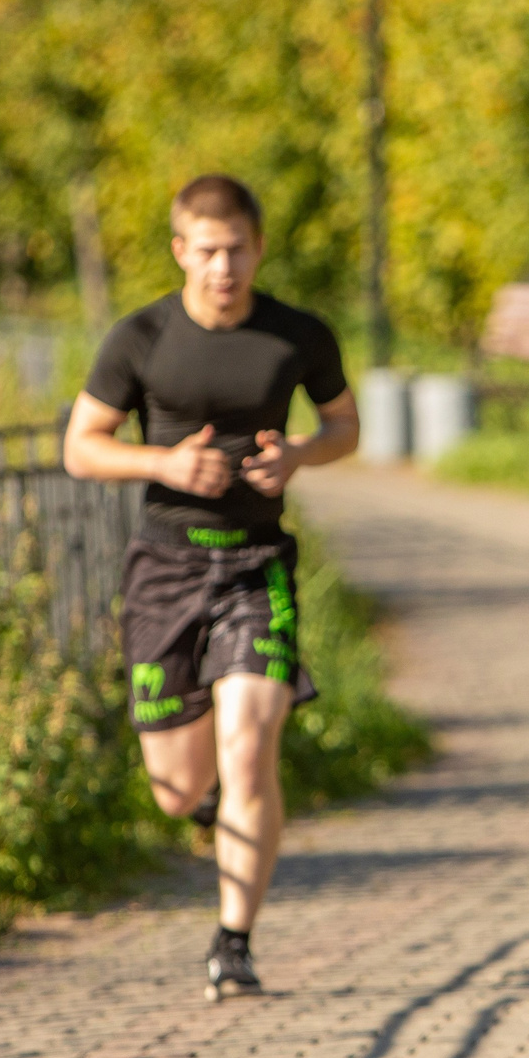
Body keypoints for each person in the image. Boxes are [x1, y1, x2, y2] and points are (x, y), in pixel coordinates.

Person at [63, 174, 360, 1000]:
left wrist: (299, 454)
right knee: (175, 789)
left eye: (236, 250)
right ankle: (209, 810)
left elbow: (344, 425)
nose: (222, 267)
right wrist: (163, 463)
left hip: (257, 566)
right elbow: (81, 446)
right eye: (206, 251)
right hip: (166, 567)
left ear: (258, 249)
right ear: (180, 251)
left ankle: (234, 941)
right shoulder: (141, 337)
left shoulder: (297, 334)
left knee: (250, 745)